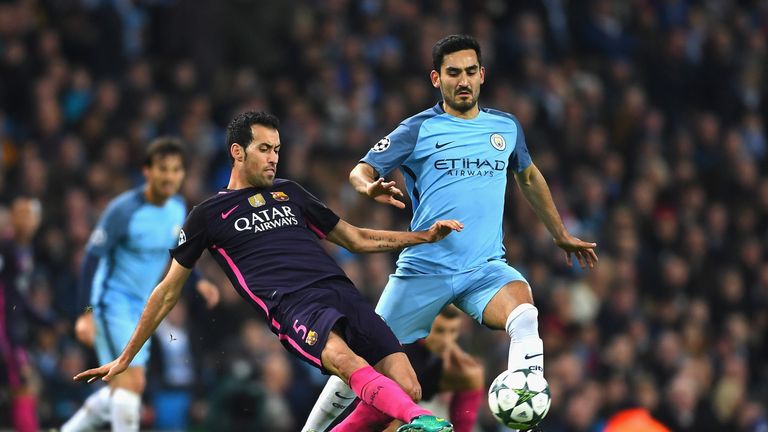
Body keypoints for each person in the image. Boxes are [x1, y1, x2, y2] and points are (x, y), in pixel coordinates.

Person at [72, 111, 461, 432]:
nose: (274, 157)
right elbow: (167, 291)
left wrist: (424, 237)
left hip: (341, 291)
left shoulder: (290, 192)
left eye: (277, 149)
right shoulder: (208, 214)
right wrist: (125, 356)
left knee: (408, 387)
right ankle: (421, 420)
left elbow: (355, 238)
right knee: (349, 365)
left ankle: (413, 412)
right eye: (264, 149)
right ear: (237, 152)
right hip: (294, 305)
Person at [304, 34, 598, 432]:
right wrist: (368, 186)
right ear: (436, 78)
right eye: (453, 73)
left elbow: (528, 176)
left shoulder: (505, 127)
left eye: (470, 72)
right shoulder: (418, 129)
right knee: (359, 359)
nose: (463, 81)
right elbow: (361, 169)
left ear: (482, 75)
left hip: (484, 268)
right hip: (425, 269)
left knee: (525, 314)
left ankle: (523, 413)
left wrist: (559, 233)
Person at [62, 138, 220, 432]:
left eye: (176, 170)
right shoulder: (122, 211)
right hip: (111, 304)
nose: (169, 176)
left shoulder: (176, 208)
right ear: (147, 171)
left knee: (124, 387)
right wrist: (86, 314)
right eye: (163, 169)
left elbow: (179, 250)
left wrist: (199, 282)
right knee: (129, 385)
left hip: (141, 308)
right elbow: (91, 260)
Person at [0, 196, 44, 432]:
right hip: (6, 332)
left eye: (32, 215)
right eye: (23, 215)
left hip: (14, 327)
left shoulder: (25, 249)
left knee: (26, 386)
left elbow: (19, 297)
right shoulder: (6, 249)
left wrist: (45, 319)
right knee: (24, 384)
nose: (28, 221)